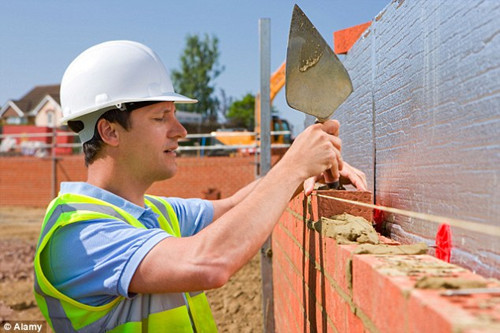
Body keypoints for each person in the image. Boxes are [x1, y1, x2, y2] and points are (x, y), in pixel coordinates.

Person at [33, 40, 367, 332]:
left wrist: (300, 174)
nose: (180, 131)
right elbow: (208, 263)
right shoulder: (79, 236)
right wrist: (293, 166)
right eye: (161, 117)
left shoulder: (152, 212)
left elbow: (234, 208)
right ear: (110, 132)